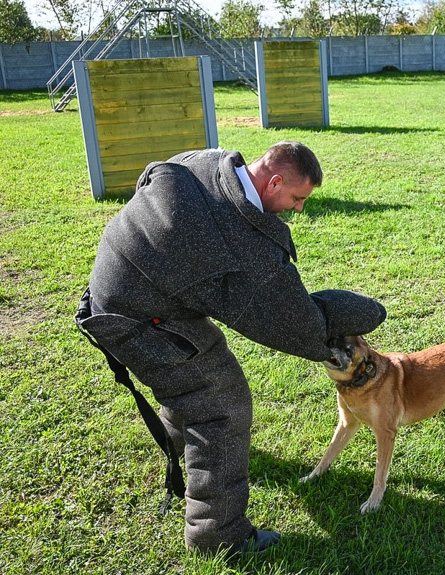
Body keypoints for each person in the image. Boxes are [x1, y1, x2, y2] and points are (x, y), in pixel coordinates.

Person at [75, 141, 387, 554]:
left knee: (190, 377)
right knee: (220, 401)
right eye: (297, 198)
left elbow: (151, 172)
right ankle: (217, 535)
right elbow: (298, 325)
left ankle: (192, 463)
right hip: (135, 317)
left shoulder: (205, 160)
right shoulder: (240, 243)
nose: (298, 210)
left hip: (124, 289)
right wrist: (366, 313)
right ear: (274, 180)